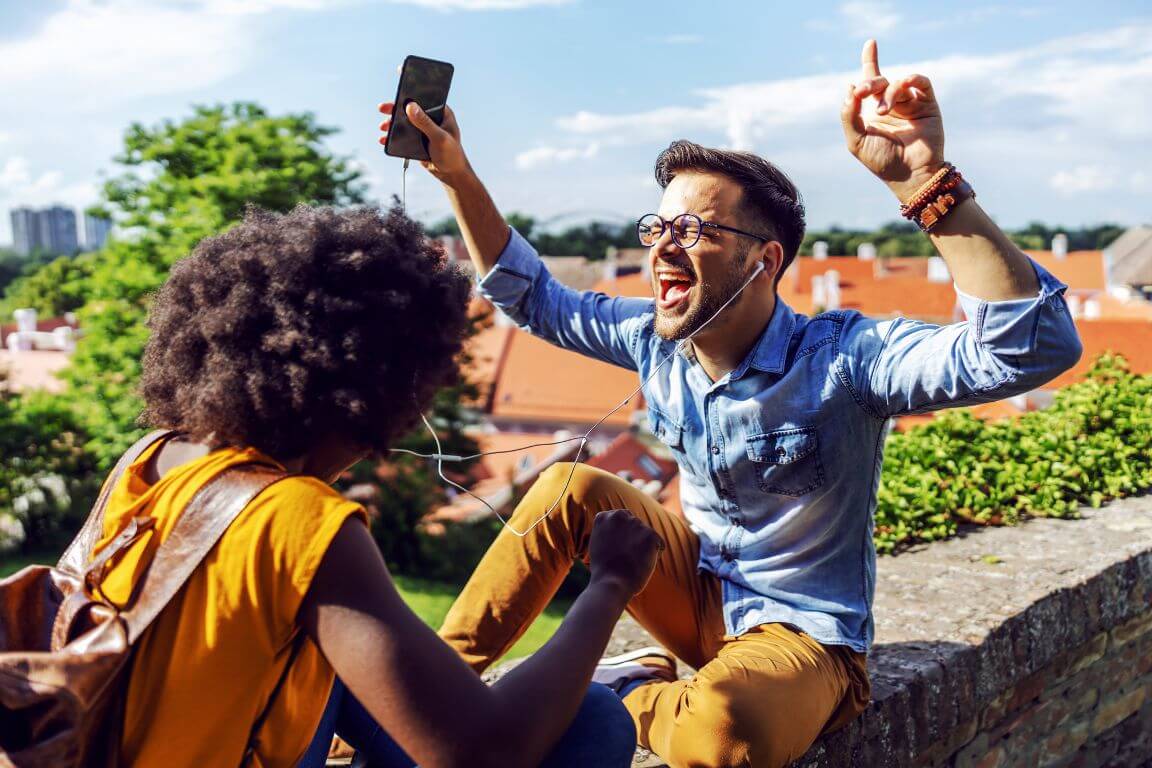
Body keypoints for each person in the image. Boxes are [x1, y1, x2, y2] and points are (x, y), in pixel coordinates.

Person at [377, 40, 1083, 767]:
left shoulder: (842, 357)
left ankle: (623, 692)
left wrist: (929, 181)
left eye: (693, 231)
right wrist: (456, 175)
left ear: (763, 260)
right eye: (658, 229)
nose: (661, 249)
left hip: (803, 638)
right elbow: (533, 297)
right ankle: (429, 696)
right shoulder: (651, 337)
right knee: (568, 486)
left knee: (724, 738)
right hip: (696, 592)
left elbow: (1026, 349)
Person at [91, 204, 662, 767]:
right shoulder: (297, 519)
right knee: (595, 719)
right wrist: (609, 585)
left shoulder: (149, 458)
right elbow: (487, 752)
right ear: (380, 390)